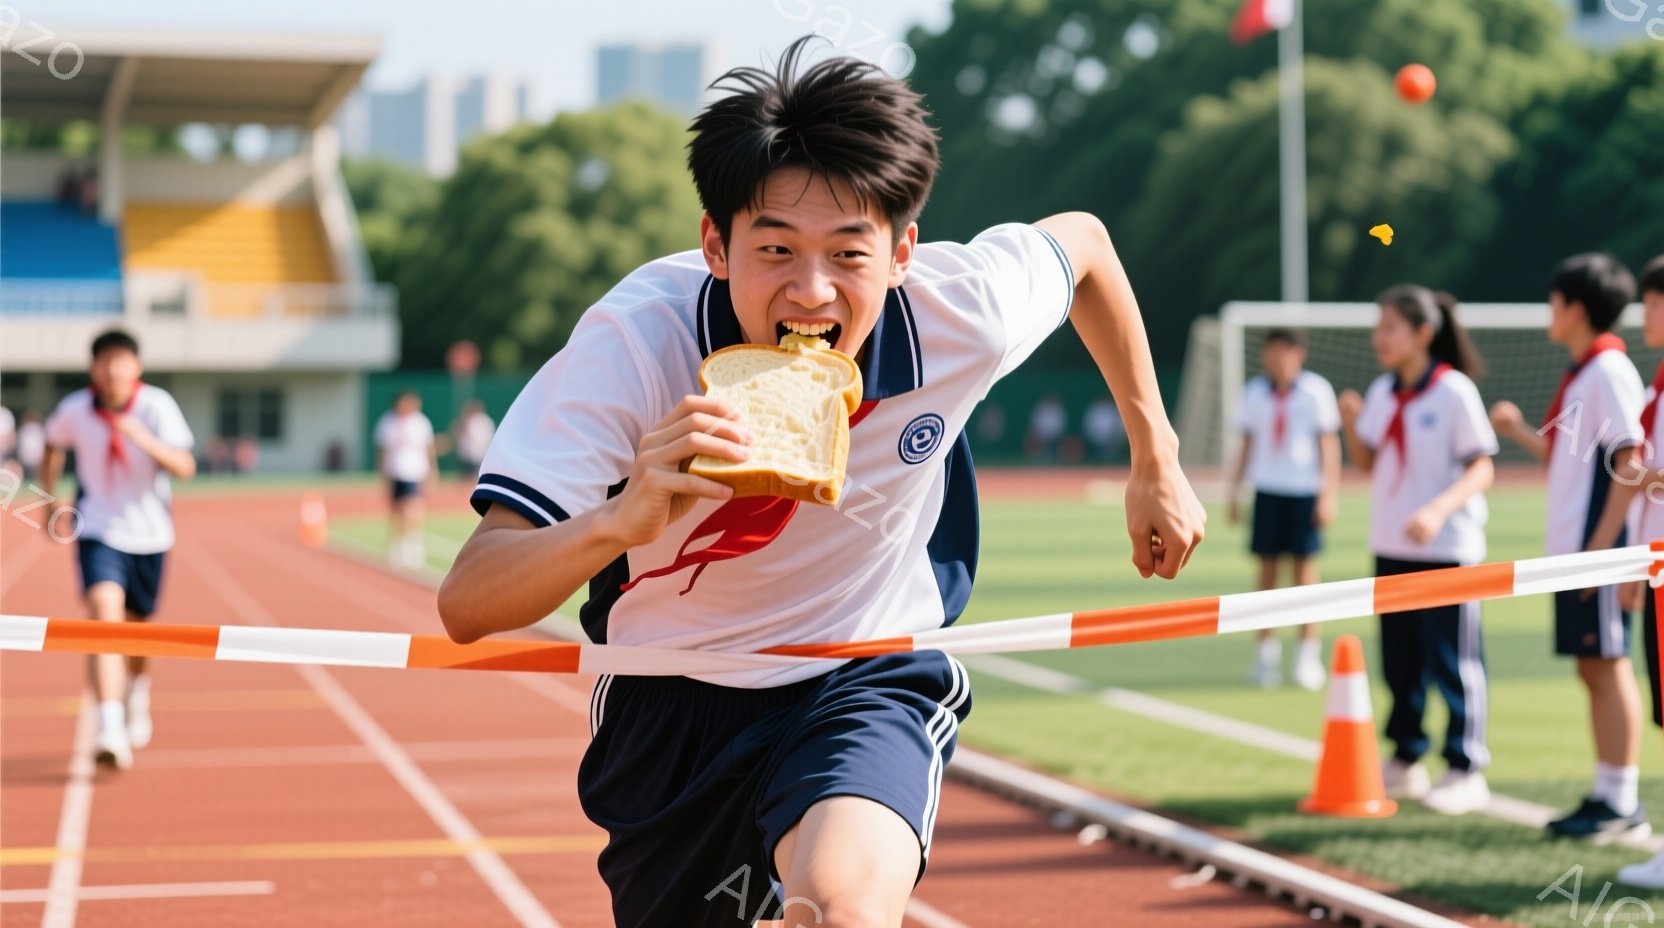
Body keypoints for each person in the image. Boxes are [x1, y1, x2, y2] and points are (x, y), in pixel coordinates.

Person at [438, 37, 1205, 928]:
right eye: (776, 251)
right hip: (670, 701)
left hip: (863, 669)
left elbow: (1088, 248)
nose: (812, 293)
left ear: (903, 251)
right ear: (716, 245)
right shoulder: (636, 345)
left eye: (849, 253)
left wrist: (1156, 457)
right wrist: (619, 521)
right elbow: (469, 600)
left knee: (842, 910)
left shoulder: (964, 313)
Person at [1491, 253, 1646, 841]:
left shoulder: (1607, 372)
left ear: (1576, 309)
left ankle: (1622, 800)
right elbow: (1575, 459)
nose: (1548, 314)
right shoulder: (1584, 372)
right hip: (1577, 551)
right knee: (1592, 667)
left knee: (1608, 665)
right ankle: (1607, 791)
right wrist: (1519, 433)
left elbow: (1630, 460)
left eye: (1554, 303)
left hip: (1596, 552)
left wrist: (1602, 552)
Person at [1338, 286, 1496, 816]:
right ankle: (1407, 756)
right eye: (1378, 326)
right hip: (1390, 544)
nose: (1378, 338)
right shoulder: (1384, 391)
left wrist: (1437, 510)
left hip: (1448, 548)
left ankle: (1465, 766)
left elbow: (1482, 465)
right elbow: (1367, 463)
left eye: (1390, 327)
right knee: (1400, 661)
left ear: (1423, 333)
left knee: (1453, 661)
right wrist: (1350, 421)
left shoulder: (1453, 392)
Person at [40, 329, 196, 770]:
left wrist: (141, 438)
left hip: (150, 535)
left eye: (121, 360)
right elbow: (53, 443)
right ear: (94, 369)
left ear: (136, 367)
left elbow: (185, 465)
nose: (112, 370)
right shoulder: (74, 409)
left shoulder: (157, 406)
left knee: (138, 632)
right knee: (101, 615)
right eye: (105, 361)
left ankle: (137, 692)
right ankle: (109, 726)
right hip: (97, 530)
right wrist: (50, 499)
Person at [1227, 328, 1340, 691]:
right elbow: (1246, 444)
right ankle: (1265, 656)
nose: (1278, 358)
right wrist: (1235, 491)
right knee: (1266, 574)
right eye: (1272, 351)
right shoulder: (1254, 394)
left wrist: (1328, 495)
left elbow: (1328, 446)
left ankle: (1307, 655)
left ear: (1299, 354)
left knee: (1305, 573)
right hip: (1268, 490)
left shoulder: (1315, 391)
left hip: (1303, 490)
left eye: (1285, 350)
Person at [1614, 256, 1664, 887]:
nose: (1647, 314)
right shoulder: (1658, 380)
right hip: (1654, 565)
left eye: (1655, 303)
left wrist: (1645, 478)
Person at [374, 390, 437, 570]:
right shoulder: (388, 422)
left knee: (413, 508)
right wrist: (382, 474)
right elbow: (382, 450)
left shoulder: (421, 422)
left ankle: (413, 545)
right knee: (397, 510)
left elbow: (428, 448)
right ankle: (397, 544)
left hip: (414, 471)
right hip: (395, 471)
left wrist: (433, 470)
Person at [451, 400, 496, 482]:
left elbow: (484, 438)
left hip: (478, 454)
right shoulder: (466, 420)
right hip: (466, 455)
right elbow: (456, 432)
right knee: (464, 478)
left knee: (475, 478)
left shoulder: (485, 421)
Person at [1026, 393, 1067, 464]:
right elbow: (1035, 423)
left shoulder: (1058, 410)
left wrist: (1051, 434)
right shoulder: (1040, 409)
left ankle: (1055, 460)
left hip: (1055, 435)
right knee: (1033, 438)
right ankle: (1039, 460)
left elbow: (1060, 425)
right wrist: (1041, 433)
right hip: (1041, 435)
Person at [1082, 396, 1125, 464]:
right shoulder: (1096, 409)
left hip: (1114, 440)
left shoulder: (1115, 409)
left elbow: (1120, 429)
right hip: (1097, 440)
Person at [17, 408, 46, 482]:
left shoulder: (34, 428)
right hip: (33, 455)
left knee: (32, 477)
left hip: (31, 456)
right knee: (33, 477)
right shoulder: (35, 428)